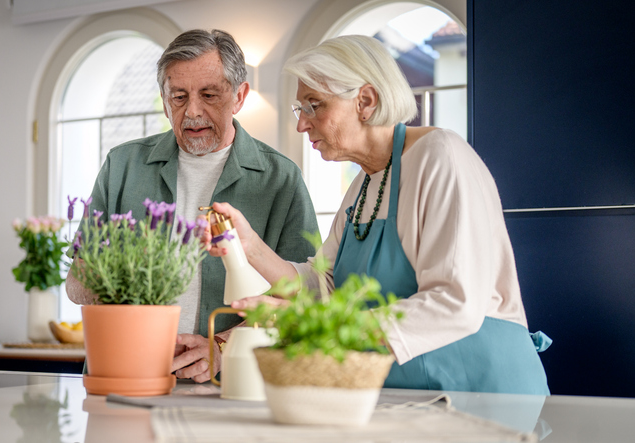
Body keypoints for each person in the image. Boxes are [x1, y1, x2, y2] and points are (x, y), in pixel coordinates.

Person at [207, 35, 551, 395]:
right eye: (301, 109)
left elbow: (455, 301)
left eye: (314, 105)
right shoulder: (363, 185)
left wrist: (313, 325)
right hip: (413, 395)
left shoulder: (440, 157)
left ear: (365, 101)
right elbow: (325, 287)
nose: (302, 124)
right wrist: (250, 247)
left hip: (483, 394)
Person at [65, 29, 319, 383]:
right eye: (179, 96)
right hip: (122, 377)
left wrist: (223, 346)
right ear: (164, 99)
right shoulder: (122, 165)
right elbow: (75, 284)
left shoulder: (281, 179)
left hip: (228, 385)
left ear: (239, 96)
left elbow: (302, 300)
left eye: (209, 94)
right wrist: (125, 276)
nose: (192, 111)